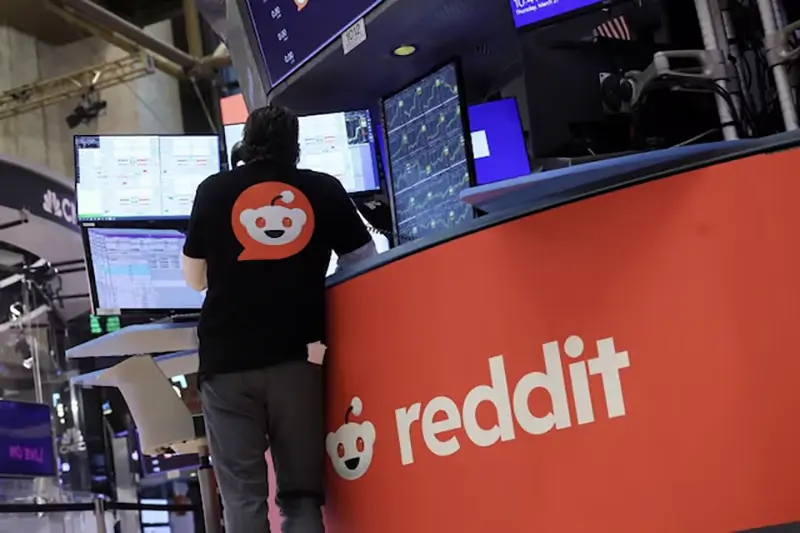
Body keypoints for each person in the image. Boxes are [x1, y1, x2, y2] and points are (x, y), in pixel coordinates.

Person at [180, 105, 376, 533]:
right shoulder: (323, 189)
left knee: (243, 501)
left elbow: (194, 280)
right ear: (296, 146)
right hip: (301, 359)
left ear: (246, 144)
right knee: (301, 497)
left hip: (226, 363)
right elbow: (363, 260)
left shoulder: (213, 190)